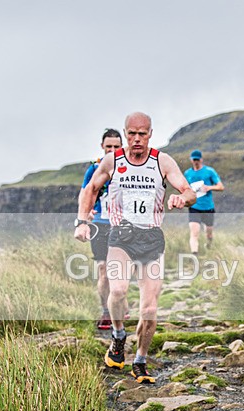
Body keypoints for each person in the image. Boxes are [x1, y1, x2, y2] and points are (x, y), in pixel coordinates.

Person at [75, 112, 196, 384]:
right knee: (117, 290)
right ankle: (118, 334)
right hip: (121, 236)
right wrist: (82, 222)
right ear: (125, 133)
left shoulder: (162, 161)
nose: (137, 139)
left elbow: (189, 191)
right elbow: (90, 190)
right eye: (132, 133)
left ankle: (140, 360)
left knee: (149, 310)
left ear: (150, 134)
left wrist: (182, 199)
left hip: (151, 239)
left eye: (142, 133)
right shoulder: (113, 161)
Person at [79, 128, 123, 329]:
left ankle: (120, 303)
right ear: (102, 147)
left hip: (122, 224)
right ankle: (106, 311)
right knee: (103, 269)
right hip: (100, 223)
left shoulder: (129, 167)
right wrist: (84, 216)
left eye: (116, 147)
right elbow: (84, 193)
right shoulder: (94, 168)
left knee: (120, 270)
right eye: (108, 147)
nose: (112, 150)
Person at [184, 149, 224, 255]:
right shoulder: (187, 173)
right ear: (191, 160)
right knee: (194, 233)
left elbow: (221, 187)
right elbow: (184, 189)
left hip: (208, 207)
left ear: (201, 160)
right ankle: (194, 255)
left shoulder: (209, 171)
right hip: (194, 207)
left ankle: (209, 246)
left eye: (197, 160)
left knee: (209, 234)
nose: (196, 162)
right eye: (194, 160)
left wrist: (209, 187)